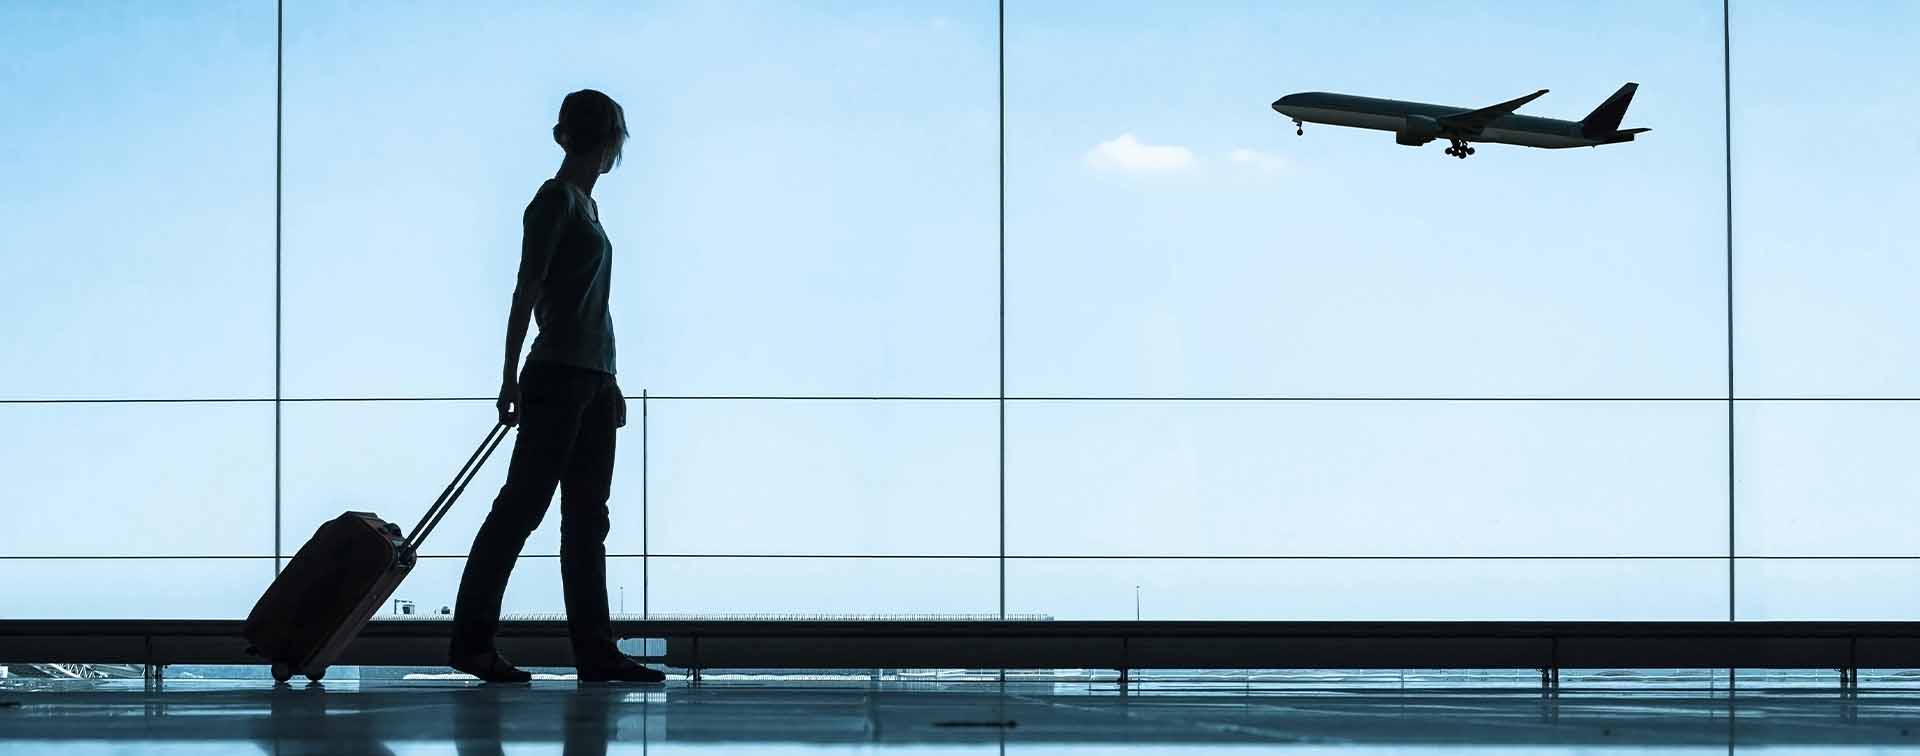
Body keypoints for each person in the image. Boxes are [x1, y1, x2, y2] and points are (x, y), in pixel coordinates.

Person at [448, 89, 662, 684]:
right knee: (525, 508)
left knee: (584, 518)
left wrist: (611, 378)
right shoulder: (556, 201)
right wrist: (509, 374)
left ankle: (594, 651)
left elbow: (592, 307)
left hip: (589, 379)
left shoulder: (586, 210)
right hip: (559, 376)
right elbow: (527, 289)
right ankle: (473, 643)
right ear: (609, 141)